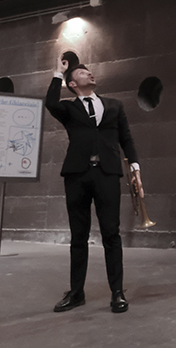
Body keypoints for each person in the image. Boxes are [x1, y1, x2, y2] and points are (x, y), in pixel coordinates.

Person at [46, 55, 142, 314]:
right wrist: (58, 73)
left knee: (111, 234)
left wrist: (135, 166)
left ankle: (117, 293)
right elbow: (50, 103)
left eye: (90, 72)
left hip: (107, 174)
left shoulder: (114, 105)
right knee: (78, 236)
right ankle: (76, 293)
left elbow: (126, 138)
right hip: (77, 175)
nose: (89, 74)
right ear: (72, 84)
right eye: (82, 73)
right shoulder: (68, 108)